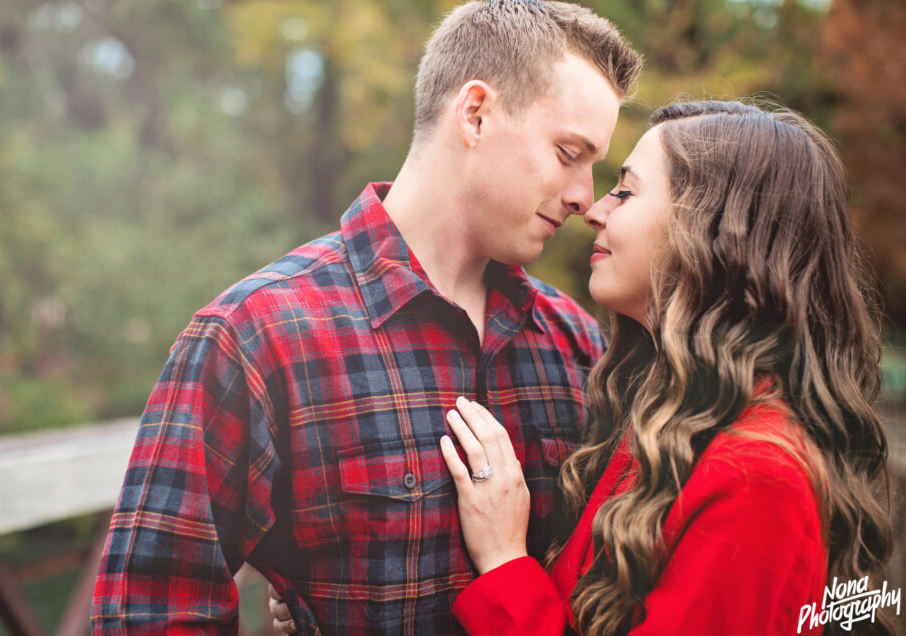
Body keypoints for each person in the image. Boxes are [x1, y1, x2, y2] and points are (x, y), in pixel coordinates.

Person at [90, 1, 643, 634]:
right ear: (476, 114)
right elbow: (150, 613)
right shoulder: (256, 335)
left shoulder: (578, 343)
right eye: (569, 153)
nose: (584, 197)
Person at [438, 100, 895, 635]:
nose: (594, 210)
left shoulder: (756, 474)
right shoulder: (668, 422)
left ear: (714, 231)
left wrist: (504, 564)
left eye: (626, 192)